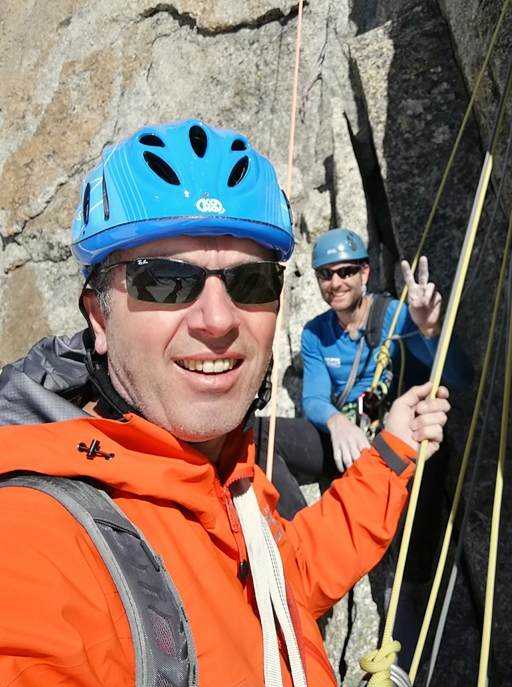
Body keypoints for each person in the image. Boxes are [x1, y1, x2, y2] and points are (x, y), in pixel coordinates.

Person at [0, 119, 450, 687]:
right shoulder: (36, 534)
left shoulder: (225, 477)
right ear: (99, 317)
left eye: (250, 282)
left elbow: (287, 578)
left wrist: (392, 450)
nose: (217, 320)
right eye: (163, 281)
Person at [256, 228, 473, 518]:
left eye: (346, 271)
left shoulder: (396, 317)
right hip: (348, 439)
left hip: (396, 437)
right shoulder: (316, 333)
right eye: (325, 274)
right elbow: (315, 399)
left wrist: (430, 330)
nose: (335, 282)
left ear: (365, 273)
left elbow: (462, 377)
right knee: (260, 434)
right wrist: (336, 423)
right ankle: (302, 539)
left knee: (427, 453)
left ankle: (413, 565)